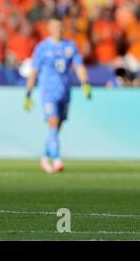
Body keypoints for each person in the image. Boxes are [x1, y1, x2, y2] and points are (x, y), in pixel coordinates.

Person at [24, 15, 91, 173]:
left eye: (60, 27)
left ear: (63, 28)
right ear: (49, 28)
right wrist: (28, 93)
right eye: (54, 27)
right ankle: (57, 159)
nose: (58, 30)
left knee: (56, 128)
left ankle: (44, 158)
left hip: (65, 91)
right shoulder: (42, 47)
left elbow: (79, 66)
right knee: (53, 123)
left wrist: (85, 84)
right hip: (48, 91)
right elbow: (34, 71)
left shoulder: (71, 46)